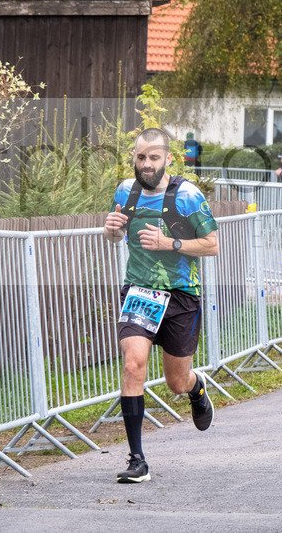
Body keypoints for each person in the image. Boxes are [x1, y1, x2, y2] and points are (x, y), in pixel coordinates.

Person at [103, 128, 219, 482]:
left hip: (182, 295)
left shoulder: (188, 196)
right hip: (140, 291)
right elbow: (114, 234)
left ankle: (196, 387)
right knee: (134, 363)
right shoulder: (126, 191)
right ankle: (137, 460)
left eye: (154, 157)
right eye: (141, 158)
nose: (147, 164)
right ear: (134, 159)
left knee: (175, 381)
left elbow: (212, 244)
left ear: (168, 158)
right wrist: (110, 229)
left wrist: (170, 243)